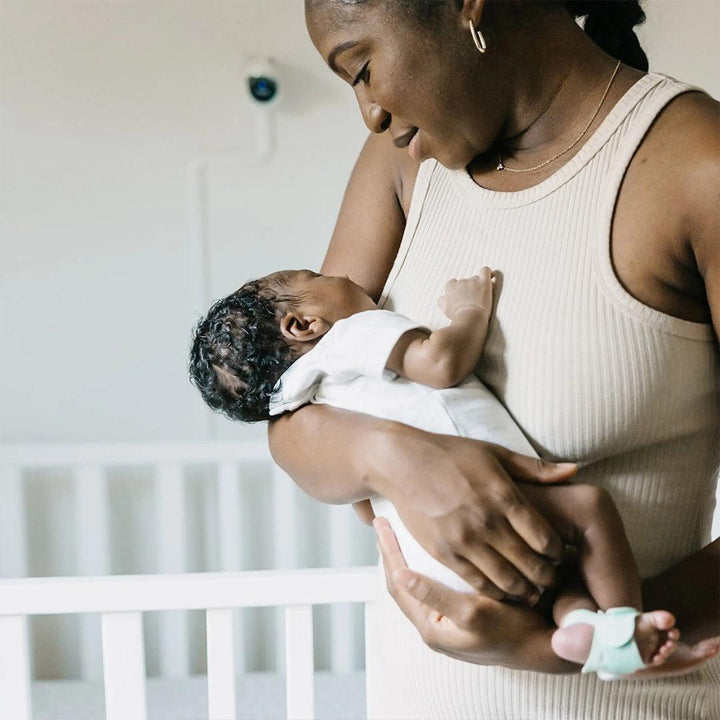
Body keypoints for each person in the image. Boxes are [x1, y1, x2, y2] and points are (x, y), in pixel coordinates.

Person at [267, 0, 720, 717]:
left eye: (362, 69)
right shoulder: (400, 166)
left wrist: (562, 638)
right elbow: (296, 414)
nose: (371, 115)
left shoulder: (697, 165)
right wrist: (393, 457)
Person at [189, 266, 681, 677]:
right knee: (590, 508)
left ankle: (582, 631)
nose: (338, 271)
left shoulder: (305, 395)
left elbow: (360, 502)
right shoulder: (350, 336)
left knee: (562, 581)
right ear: (303, 325)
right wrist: (470, 311)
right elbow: (440, 362)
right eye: (316, 274)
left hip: (436, 562)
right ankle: (625, 629)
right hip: (494, 512)